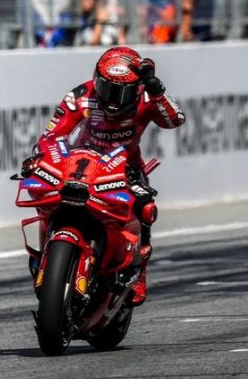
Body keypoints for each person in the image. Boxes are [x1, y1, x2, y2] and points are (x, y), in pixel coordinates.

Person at [21, 47, 186, 306]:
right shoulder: (81, 96)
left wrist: (156, 88)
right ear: (96, 79)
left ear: (137, 88)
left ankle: (138, 273)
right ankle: (43, 254)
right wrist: (39, 158)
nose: (113, 100)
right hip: (77, 163)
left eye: (122, 92)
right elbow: (52, 136)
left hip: (125, 168)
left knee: (145, 208)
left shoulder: (146, 99)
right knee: (43, 193)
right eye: (107, 89)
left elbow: (175, 120)